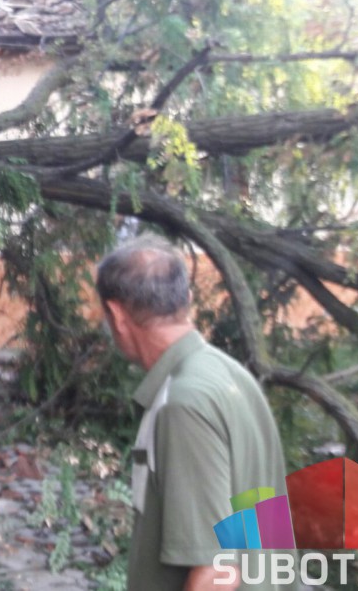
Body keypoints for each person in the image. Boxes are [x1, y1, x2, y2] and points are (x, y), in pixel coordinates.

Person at [95, 234, 294, 591]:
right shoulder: (232, 376)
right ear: (187, 300)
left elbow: (217, 572)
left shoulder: (182, 404)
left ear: (117, 315)